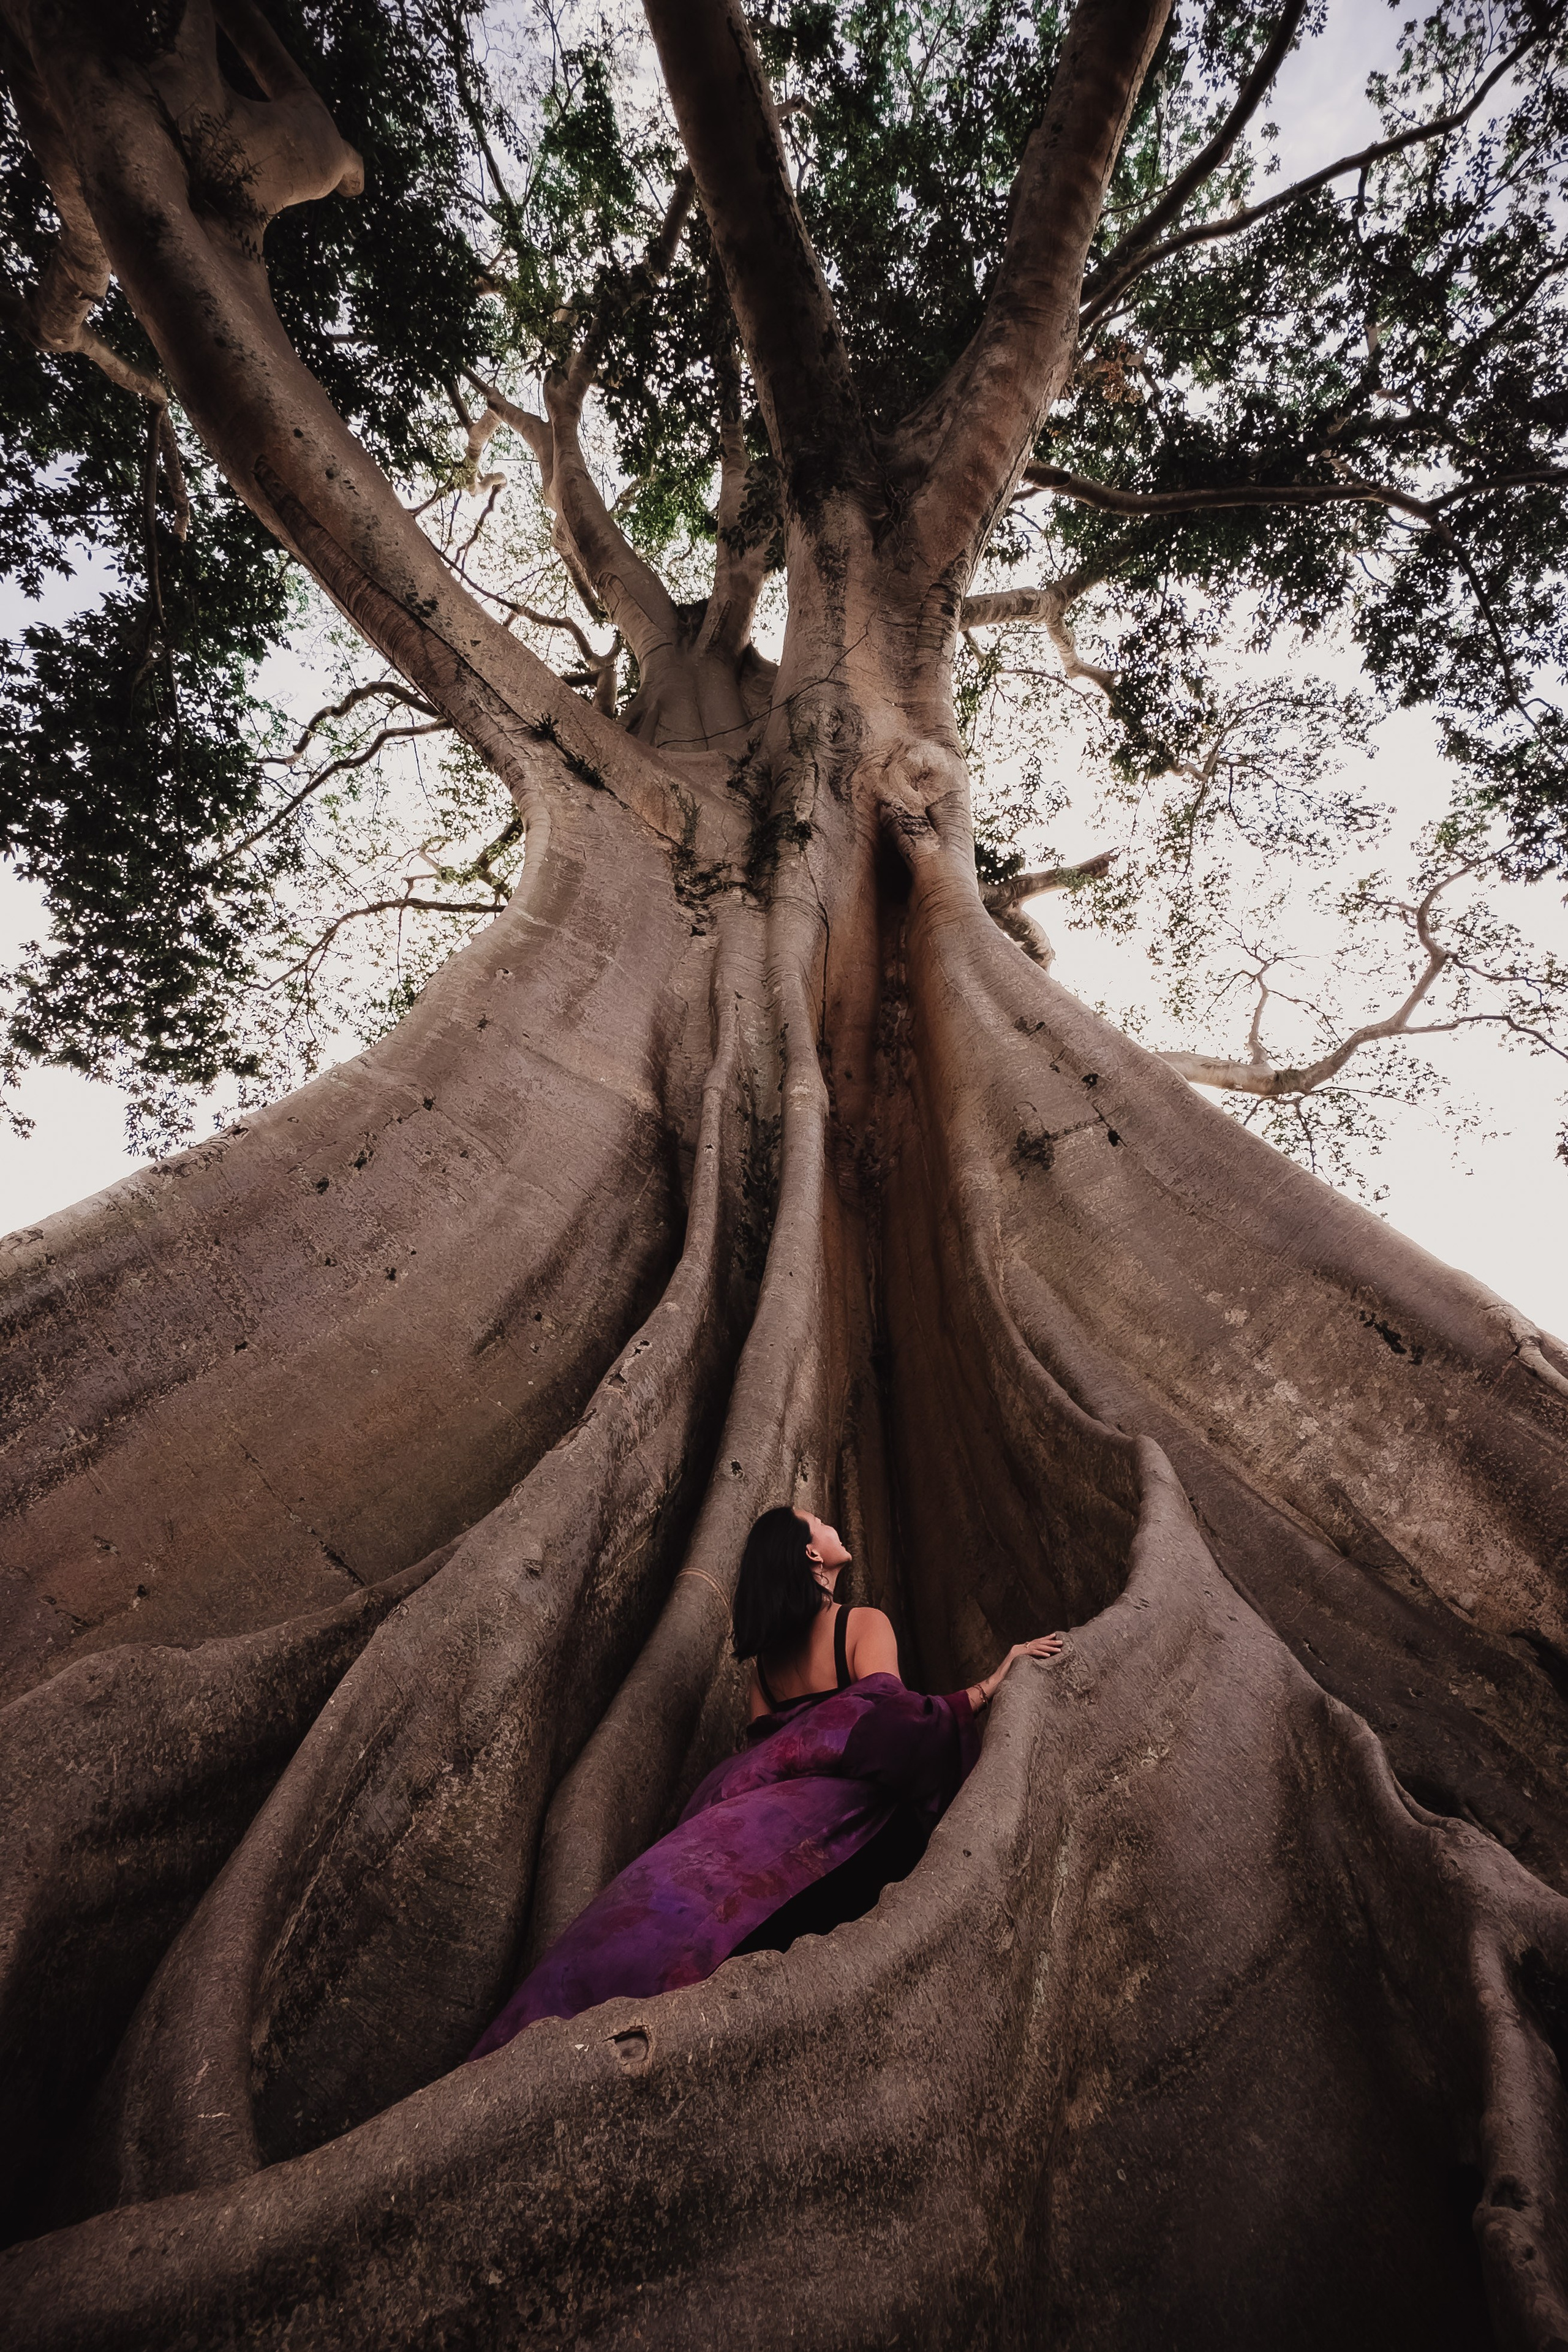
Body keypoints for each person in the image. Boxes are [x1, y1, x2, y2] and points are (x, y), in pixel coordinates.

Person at [469, 1506, 1063, 2059]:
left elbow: (767, 1751)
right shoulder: (861, 1623)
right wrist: (985, 1688)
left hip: (751, 1825)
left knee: (678, 1921)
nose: (831, 1526)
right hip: (844, 1825)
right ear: (810, 1555)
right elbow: (890, 1724)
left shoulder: (766, 1669)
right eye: (819, 1522)